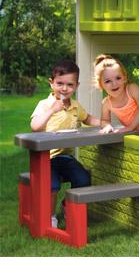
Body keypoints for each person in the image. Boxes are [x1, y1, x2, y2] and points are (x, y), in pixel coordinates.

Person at [30, 59, 100, 228]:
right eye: (60, 83)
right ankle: (50, 217)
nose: (64, 88)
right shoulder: (45, 104)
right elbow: (35, 126)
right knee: (52, 184)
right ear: (51, 83)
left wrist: (104, 123)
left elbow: (88, 118)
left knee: (83, 179)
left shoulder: (75, 106)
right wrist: (52, 110)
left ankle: (67, 206)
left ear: (76, 86)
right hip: (45, 158)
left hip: (65, 157)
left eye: (70, 85)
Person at [93, 54, 139, 138]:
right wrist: (107, 126)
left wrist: (130, 127)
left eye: (118, 78)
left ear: (124, 78)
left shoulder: (131, 90)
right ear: (101, 85)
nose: (114, 84)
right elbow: (104, 120)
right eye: (108, 81)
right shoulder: (107, 103)